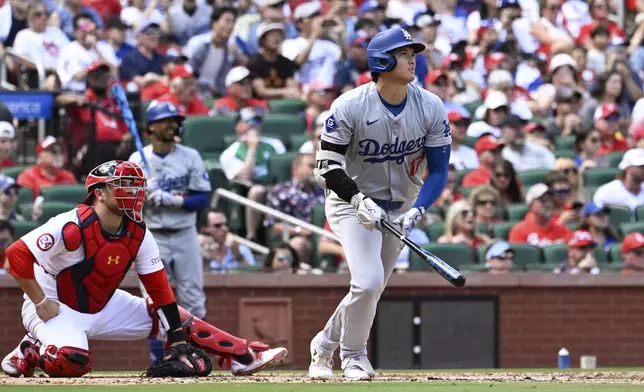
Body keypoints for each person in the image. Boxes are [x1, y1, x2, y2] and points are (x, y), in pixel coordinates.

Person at [0, 160, 287, 378]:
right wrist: (40, 301)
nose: (135, 192)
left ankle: (243, 355)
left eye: (137, 185)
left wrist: (175, 334)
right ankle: (32, 348)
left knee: (175, 318)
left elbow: (159, 287)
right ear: (99, 193)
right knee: (72, 362)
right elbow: (15, 256)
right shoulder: (71, 224)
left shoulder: (138, 232)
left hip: (104, 304)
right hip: (55, 307)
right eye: (124, 185)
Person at [308, 28, 451, 381]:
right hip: (350, 202)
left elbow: (439, 170)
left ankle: (323, 346)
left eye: (412, 53)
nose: (412, 58)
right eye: (404, 53)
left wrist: (416, 211)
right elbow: (326, 167)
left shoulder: (430, 105)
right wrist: (357, 199)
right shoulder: (349, 105)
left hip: (401, 205)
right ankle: (354, 355)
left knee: (370, 289)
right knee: (368, 282)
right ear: (382, 60)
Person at [129, 101, 210, 321]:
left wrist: (172, 200)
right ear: (152, 127)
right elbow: (125, 204)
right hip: (153, 236)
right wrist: (143, 194)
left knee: (194, 300)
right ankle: (160, 356)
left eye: (174, 121)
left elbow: (203, 199)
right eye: (165, 121)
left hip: (184, 233)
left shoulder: (190, 156)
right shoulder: (137, 160)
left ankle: (196, 353)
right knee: (154, 301)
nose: (172, 125)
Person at [508, 183, 573, 247]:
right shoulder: (519, 230)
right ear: (530, 205)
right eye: (543, 200)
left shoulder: (560, 229)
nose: (548, 204)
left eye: (550, 200)